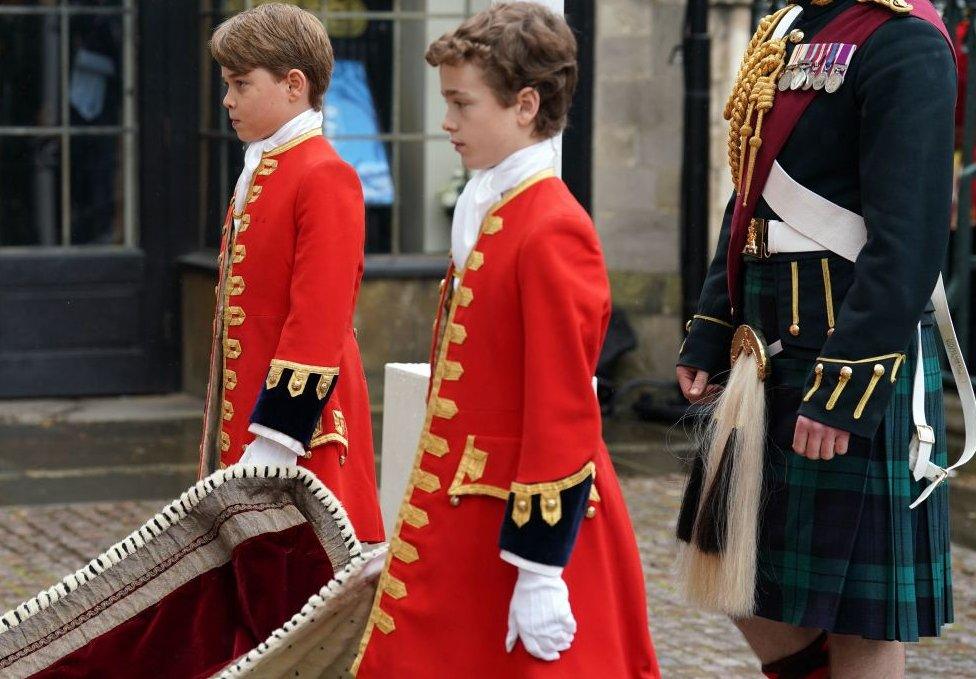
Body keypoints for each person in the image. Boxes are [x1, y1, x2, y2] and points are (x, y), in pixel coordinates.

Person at [352, 3, 659, 676]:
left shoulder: (550, 226)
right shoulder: (491, 208)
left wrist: (542, 568)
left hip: (524, 528)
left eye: (463, 104)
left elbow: (562, 407)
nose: (447, 122)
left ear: (525, 105)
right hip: (468, 517)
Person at [675, 0, 967, 677]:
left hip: (853, 344)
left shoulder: (905, 41)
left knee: (861, 619)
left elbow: (909, 243)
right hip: (766, 338)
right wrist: (714, 321)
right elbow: (746, 194)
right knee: (726, 562)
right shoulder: (785, 27)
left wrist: (847, 383)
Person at [197, 2, 384, 544]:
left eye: (240, 83)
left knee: (304, 581)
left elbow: (319, 318)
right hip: (247, 415)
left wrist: (279, 432)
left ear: (293, 84)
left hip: (302, 429)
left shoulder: (325, 174)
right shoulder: (264, 167)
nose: (227, 99)